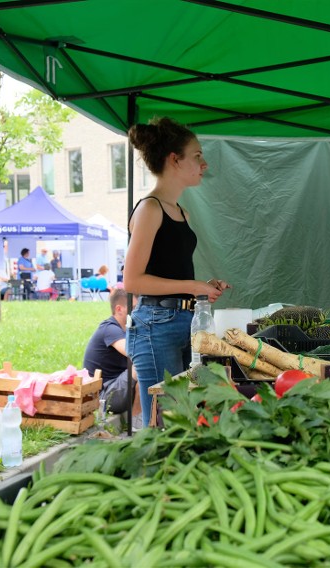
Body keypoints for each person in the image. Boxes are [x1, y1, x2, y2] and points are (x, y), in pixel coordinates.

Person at [124, 116, 230, 427]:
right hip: (156, 326)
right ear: (175, 160)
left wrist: (200, 287)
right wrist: (193, 285)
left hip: (183, 323)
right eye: (197, 156)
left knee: (184, 421)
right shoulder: (150, 209)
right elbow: (132, 281)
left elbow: (169, 269)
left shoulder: (179, 211)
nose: (204, 164)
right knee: (164, 426)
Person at [83, 289, 142, 422]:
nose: (137, 312)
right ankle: (136, 421)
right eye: (133, 308)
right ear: (119, 309)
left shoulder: (127, 329)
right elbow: (132, 351)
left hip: (117, 388)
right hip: (104, 396)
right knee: (141, 364)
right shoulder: (110, 329)